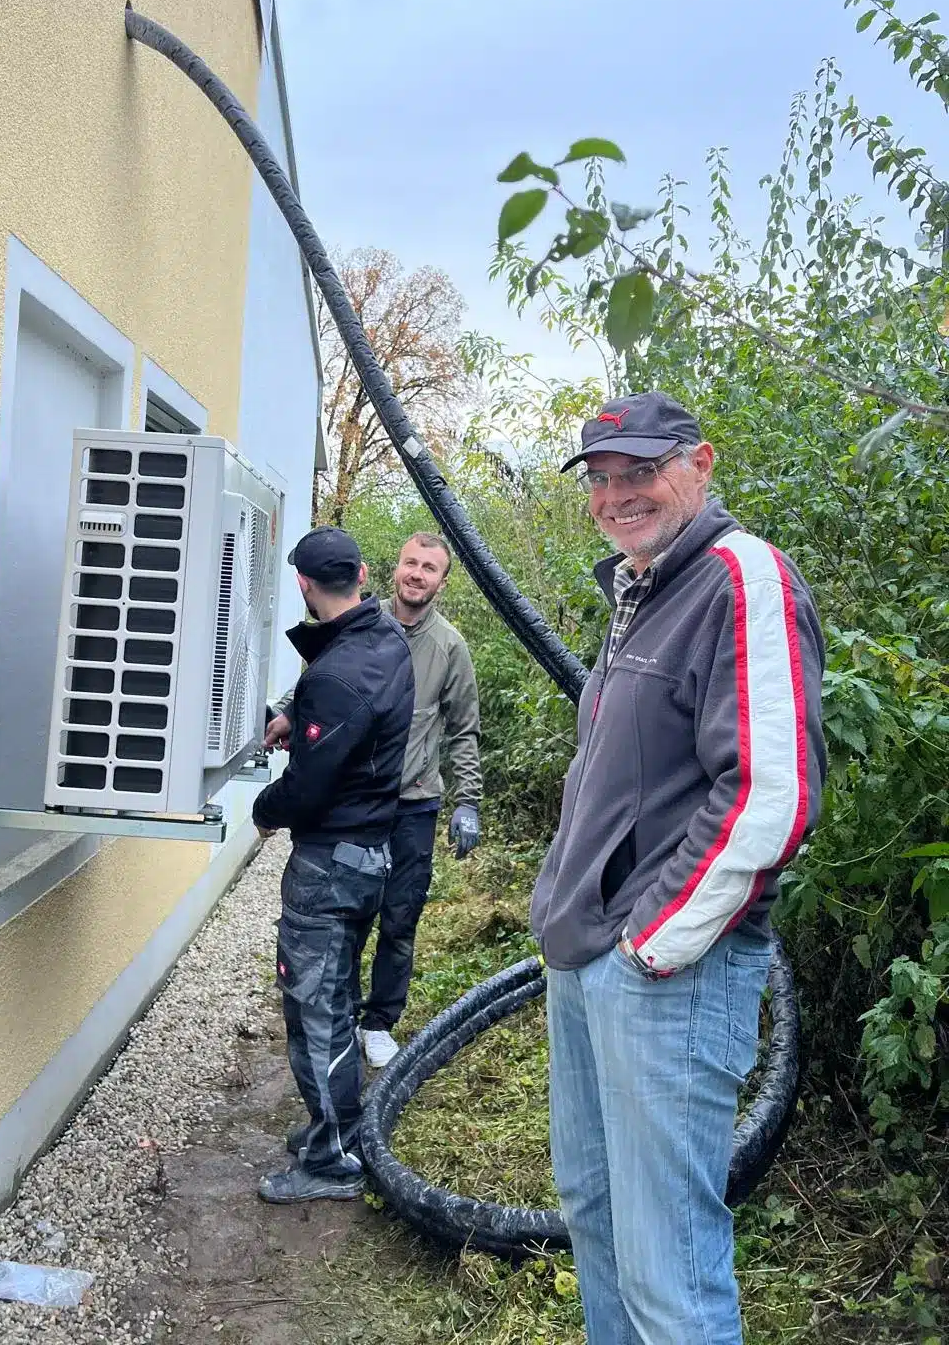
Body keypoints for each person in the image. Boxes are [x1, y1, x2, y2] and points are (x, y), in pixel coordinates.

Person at [529, 391, 826, 1344]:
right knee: (597, 1214)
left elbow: (770, 797)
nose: (619, 495)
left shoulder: (743, 579)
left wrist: (649, 948)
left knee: (669, 1271)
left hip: (666, 975)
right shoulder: (643, 585)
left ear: (700, 464)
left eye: (642, 471)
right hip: (588, 960)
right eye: (603, 478)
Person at [266, 532, 483, 1069]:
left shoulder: (449, 648)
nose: (417, 573)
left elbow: (462, 731)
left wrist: (467, 801)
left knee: (400, 916)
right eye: (410, 561)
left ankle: (380, 1021)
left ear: (442, 580)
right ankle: (341, 1009)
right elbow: (322, 686)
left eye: (430, 567)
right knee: (347, 914)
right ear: (387, 570)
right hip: (359, 800)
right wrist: (290, 713)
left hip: (411, 803)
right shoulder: (364, 626)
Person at [252, 525, 414, 1205]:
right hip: (372, 852)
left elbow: (309, 789)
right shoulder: (386, 642)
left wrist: (264, 806)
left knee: (316, 1007)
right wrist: (303, 721)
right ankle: (335, 1126)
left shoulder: (336, 674)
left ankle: (334, 1159)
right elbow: (347, 731)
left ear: (304, 585)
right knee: (338, 997)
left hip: (330, 864)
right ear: (365, 573)